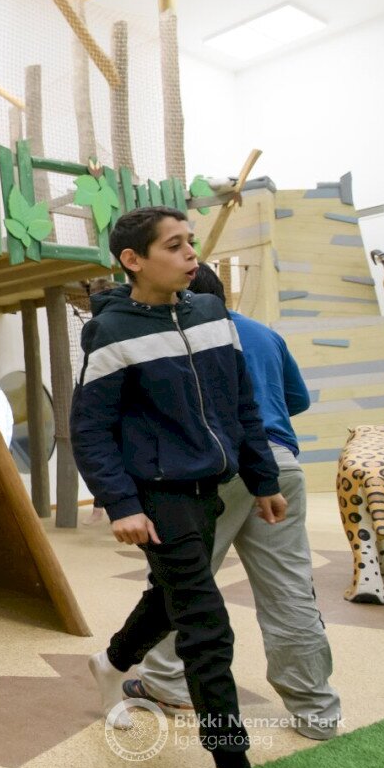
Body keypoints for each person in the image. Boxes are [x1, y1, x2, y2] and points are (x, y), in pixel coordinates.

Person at [73, 206, 308, 768]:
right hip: (158, 493)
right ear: (133, 260)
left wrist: (262, 478)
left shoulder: (210, 315)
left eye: (190, 243)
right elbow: (90, 428)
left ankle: (110, 662)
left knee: (173, 594)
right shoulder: (110, 331)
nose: (190, 255)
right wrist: (121, 503)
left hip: (212, 485)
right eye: (174, 246)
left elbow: (241, 405)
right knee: (207, 627)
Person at [130, 266, 341, 740]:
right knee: (289, 587)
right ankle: (317, 709)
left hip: (218, 468)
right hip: (281, 465)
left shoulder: (179, 335)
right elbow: (295, 401)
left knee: (182, 575)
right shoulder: (266, 335)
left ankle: (164, 682)